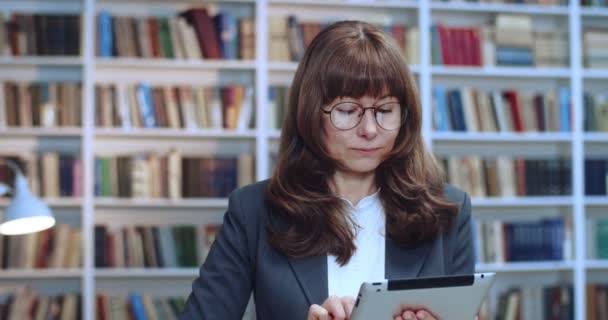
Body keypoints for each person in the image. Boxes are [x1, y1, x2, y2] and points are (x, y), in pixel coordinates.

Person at [180, 20, 474, 320]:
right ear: (311, 114)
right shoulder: (253, 211)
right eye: (347, 111)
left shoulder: (449, 210)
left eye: (385, 110)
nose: (369, 129)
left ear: (405, 115)